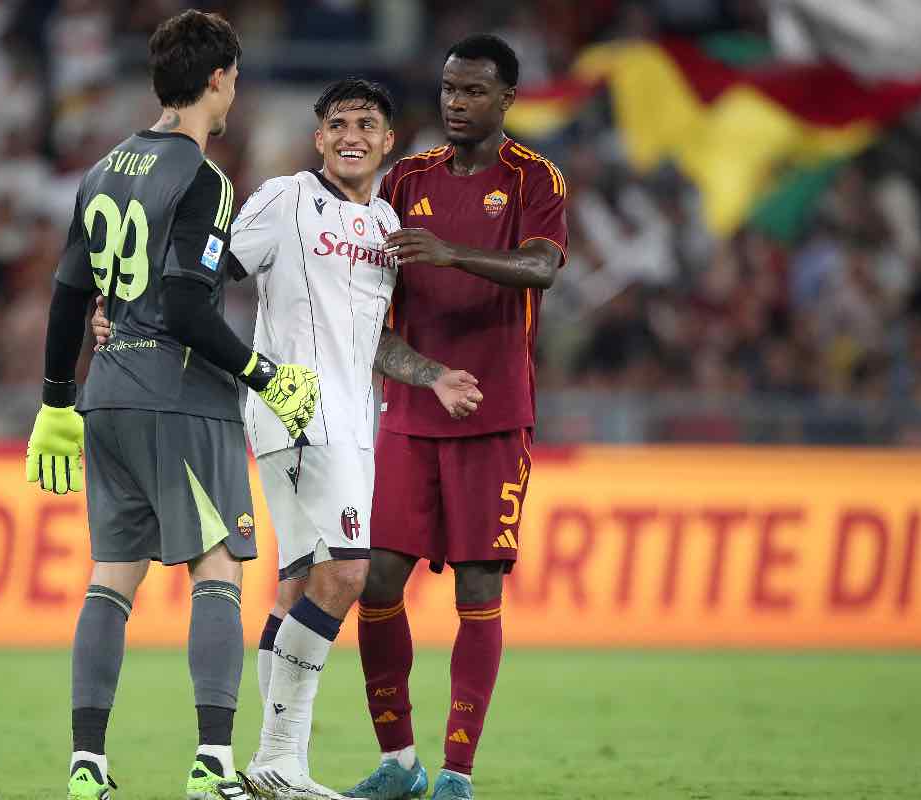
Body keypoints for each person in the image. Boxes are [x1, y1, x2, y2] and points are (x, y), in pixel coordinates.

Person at [91, 77, 484, 800]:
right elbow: (203, 275)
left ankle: (272, 764)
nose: (352, 135)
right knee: (349, 574)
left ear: (389, 140)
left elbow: (373, 341)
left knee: (300, 584)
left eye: (367, 123)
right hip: (297, 411)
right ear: (320, 138)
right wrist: (122, 310)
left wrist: (429, 376)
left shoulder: (387, 228)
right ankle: (280, 759)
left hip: (352, 422)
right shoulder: (285, 199)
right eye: (338, 123)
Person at [23, 11, 320, 800]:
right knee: (217, 568)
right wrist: (264, 374)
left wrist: (58, 397)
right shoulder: (204, 177)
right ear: (220, 77)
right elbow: (190, 310)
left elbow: (66, 295)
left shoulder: (103, 168)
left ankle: (87, 763)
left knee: (111, 577)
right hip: (181, 396)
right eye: (235, 78)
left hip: (107, 396)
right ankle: (213, 763)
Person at [345, 34, 569, 800]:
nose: (455, 103)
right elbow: (365, 294)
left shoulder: (535, 179)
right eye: (448, 89)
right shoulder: (405, 178)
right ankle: (397, 761)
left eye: (473, 91)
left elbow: (541, 267)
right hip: (410, 413)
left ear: (507, 98)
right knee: (376, 582)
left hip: (495, 414)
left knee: (479, 592)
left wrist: (449, 254)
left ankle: (456, 773)